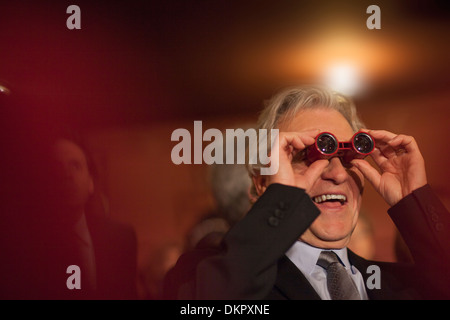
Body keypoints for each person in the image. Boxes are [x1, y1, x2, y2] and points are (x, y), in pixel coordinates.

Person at [163, 85, 450, 300]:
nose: (337, 174)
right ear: (262, 184)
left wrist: (416, 201)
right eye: (307, 157)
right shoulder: (210, 277)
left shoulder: (404, 285)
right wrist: (281, 201)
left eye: (348, 157)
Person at [2, 129, 139, 299]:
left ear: (91, 182)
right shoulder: (21, 247)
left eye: (76, 165)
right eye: (56, 167)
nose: (67, 175)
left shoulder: (120, 239)